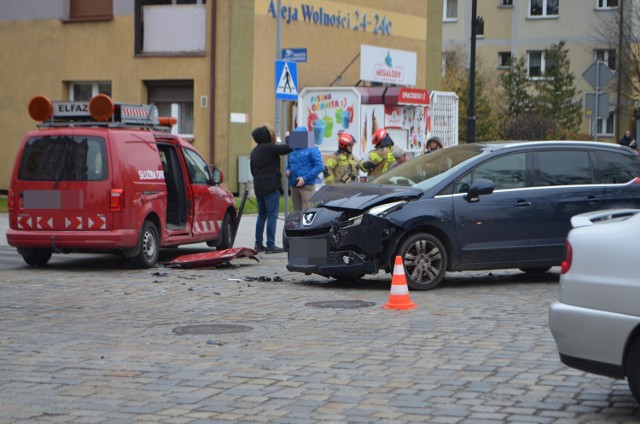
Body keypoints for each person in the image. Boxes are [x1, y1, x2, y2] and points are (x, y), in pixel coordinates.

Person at [250, 123, 292, 253]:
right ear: (268, 136)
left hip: (258, 188)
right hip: (271, 188)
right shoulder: (269, 148)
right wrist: (289, 137)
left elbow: (252, 171)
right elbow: (290, 147)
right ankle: (270, 245)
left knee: (261, 215)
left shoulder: (254, 151)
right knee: (272, 216)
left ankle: (258, 244)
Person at [285, 126, 324, 211]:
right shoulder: (293, 149)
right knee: (297, 213)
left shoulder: (312, 148)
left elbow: (319, 166)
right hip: (294, 185)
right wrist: (287, 170)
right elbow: (290, 164)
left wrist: (305, 178)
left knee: (308, 213)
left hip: (307, 186)